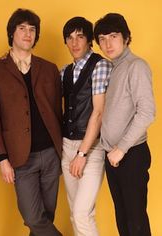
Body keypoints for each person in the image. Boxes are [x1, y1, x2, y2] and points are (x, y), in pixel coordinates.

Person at [0, 8, 62, 236]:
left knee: (46, 217)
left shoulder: (49, 68)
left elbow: (57, 110)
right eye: (22, 28)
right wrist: (2, 158)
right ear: (12, 34)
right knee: (33, 217)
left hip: (51, 154)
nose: (28, 33)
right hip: (20, 158)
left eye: (32, 29)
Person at [94, 13, 156, 236]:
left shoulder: (135, 66)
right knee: (123, 220)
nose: (107, 43)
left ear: (126, 38)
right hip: (113, 156)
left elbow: (147, 112)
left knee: (136, 222)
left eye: (113, 36)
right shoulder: (114, 68)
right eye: (102, 38)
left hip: (131, 154)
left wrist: (121, 149)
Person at [61, 17, 112, 236]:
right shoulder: (64, 72)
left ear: (89, 40)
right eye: (70, 38)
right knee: (78, 212)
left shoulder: (101, 66)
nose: (75, 43)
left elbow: (98, 113)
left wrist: (82, 153)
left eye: (80, 36)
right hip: (67, 147)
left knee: (81, 213)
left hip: (90, 149)